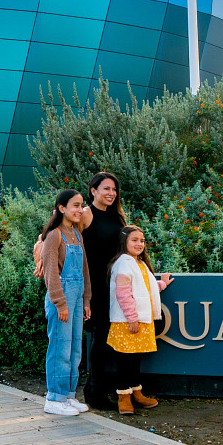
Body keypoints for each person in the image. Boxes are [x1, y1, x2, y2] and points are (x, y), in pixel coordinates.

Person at [34, 189, 92, 416]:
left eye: (81, 205)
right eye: (75, 205)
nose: (80, 210)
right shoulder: (54, 235)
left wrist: (86, 300)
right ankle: (54, 398)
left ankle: (68, 396)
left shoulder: (76, 234)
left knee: (74, 348)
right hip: (62, 300)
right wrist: (60, 303)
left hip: (77, 299)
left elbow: (84, 270)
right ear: (61, 208)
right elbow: (50, 272)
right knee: (60, 347)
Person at [106, 226, 174, 414]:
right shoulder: (123, 263)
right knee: (125, 360)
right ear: (124, 242)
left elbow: (145, 288)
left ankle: (136, 392)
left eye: (142, 241)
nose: (139, 244)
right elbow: (123, 293)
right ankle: (123, 396)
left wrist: (162, 283)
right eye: (134, 240)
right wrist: (132, 318)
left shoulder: (140, 263)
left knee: (135, 359)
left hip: (141, 320)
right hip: (127, 321)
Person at [79, 173, 127, 408]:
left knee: (111, 338)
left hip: (115, 284)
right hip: (95, 284)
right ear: (93, 191)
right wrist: (41, 255)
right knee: (100, 338)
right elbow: (58, 234)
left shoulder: (117, 216)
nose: (111, 193)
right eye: (106, 188)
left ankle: (101, 388)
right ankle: (93, 391)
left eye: (114, 189)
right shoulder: (86, 214)